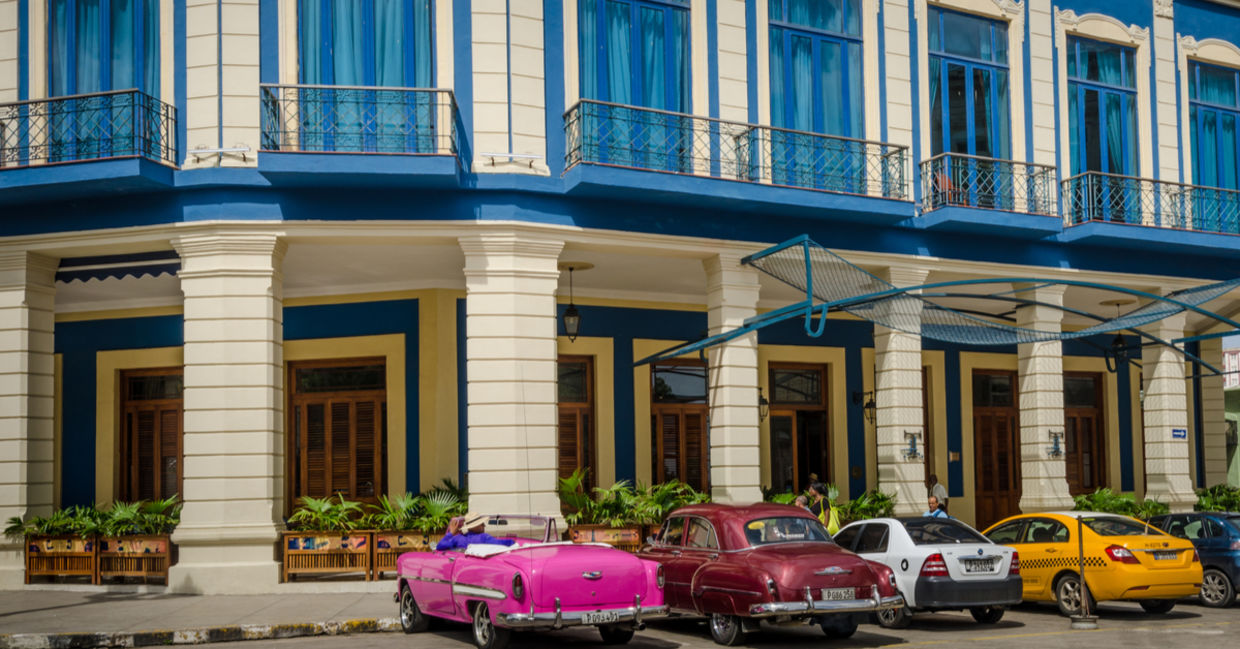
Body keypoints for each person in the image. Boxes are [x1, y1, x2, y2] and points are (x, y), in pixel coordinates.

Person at [435, 513, 517, 551]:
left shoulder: (458, 539)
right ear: (475, 526)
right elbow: (501, 543)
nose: (484, 526)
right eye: (482, 524)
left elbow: (439, 546)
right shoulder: (483, 537)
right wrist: (513, 541)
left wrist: (451, 533)